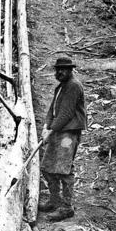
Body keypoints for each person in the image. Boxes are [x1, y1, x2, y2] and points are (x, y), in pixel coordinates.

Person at [40, 55, 87, 221]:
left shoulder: (73, 86)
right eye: (58, 69)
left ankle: (67, 207)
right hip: (58, 131)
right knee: (46, 166)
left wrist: (51, 130)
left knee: (64, 168)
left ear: (70, 70)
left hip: (68, 134)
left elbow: (66, 114)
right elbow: (52, 110)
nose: (60, 72)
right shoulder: (61, 86)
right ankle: (54, 200)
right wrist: (46, 126)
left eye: (64, 69)